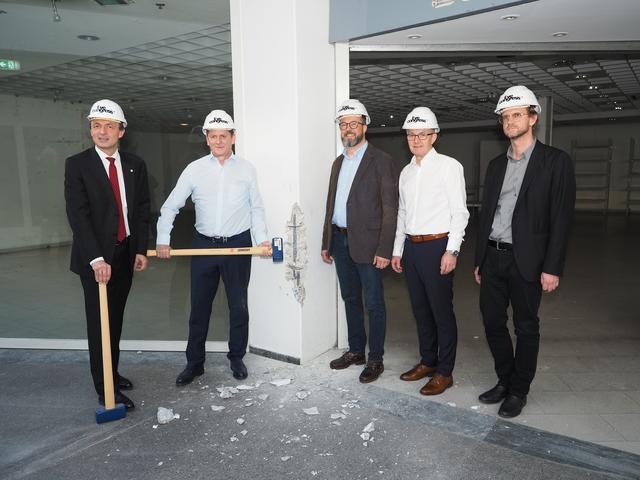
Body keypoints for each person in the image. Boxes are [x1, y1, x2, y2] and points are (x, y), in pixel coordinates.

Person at [474, 85, 576, 418]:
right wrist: (479, 259)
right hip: (493, 256)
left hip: (528, 261)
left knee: (526, 326)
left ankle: (519, 390)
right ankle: (505, 380)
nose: (510, 121)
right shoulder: (495, 166)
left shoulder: (555, 162)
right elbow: (486, 213)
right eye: (505, 116)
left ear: (532, 118)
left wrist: (553, 267)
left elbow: (561, 218)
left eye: (516, 114)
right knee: (492, 323)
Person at [156, 110, 270, 385]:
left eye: (224, 136)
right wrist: (163, 240)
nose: (219, 141)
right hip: (204, 246)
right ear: (206, 139)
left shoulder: (246, 169)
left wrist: (262, 239)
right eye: (213, 136)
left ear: (233, 138)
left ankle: (236, 358)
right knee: (199, 307)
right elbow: (171, 206)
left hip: (238, 245)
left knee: (238, 306)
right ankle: (195, 363)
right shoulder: (194, 169)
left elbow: (256, 208)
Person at [64, 99, 150, 410]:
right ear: (90, 129)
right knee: (100, 325)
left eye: (109, 126)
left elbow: (141, 210)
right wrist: (96, 259)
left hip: (125, 254)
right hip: (96, 261)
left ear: (121, 131)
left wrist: (140, 248)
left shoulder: (134, 165)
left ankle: (111, 373)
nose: (102, 131)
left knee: (114, 321)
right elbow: (78, 216)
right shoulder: (77, 165)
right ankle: (105, 389)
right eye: (96, 126)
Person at [391, 107, 469, 396]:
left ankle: (445, 371)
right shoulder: (406, 172)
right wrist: (398, 249)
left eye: (422, 134)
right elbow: (402, 212)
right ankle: (427, 361)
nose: (416, 139)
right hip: (412, 247)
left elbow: (460, 214)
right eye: (411, 135)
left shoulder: (449, 166)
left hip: (438, 246)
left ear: (434, 136)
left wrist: (452, 251)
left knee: (441, 312)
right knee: (420, 310)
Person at [321, 99, 398, 383]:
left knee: (374, 303)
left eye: (354, 123)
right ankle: (356, 351)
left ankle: (375, 358)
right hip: (341, 241)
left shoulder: (381, 161)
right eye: (344, 124)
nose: (348, 128)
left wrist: (384, 249)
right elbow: (331, 205)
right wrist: (326, 241)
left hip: (369, 244)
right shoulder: (338, 163)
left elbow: (391, 209)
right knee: (350, 298)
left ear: (365, 126)